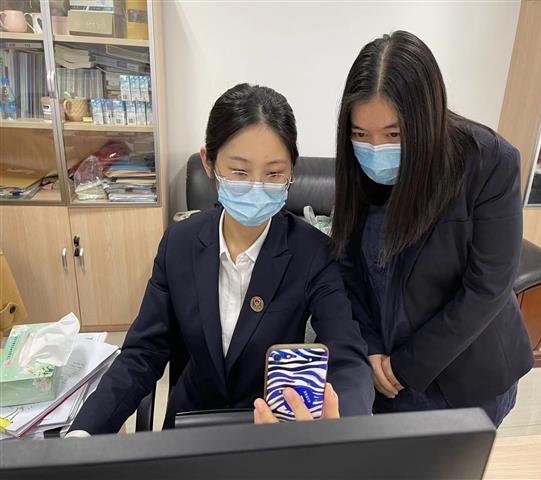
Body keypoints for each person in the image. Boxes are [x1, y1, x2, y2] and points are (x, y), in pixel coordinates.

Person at [67, 83, 373, 436]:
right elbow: (142, 353)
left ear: (292, 170)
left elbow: (347, 355)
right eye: (240, 172)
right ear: (208, 163)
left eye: (274, 173)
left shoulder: (313, 252)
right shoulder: (179, 244)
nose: (257, 186)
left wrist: (347, 428)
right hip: (191, 425)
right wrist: (83, 432)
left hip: (270, 429)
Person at [331, 31, 534, 427]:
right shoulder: (358, 170)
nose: (375, 149)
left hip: (467, 373)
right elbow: (348, 268)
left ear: (425, 120)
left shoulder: (488, 161)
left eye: (393, 134)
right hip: (385, 371)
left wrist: (405, 366)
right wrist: (370, 346)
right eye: (360, 135)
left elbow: (489, 285)